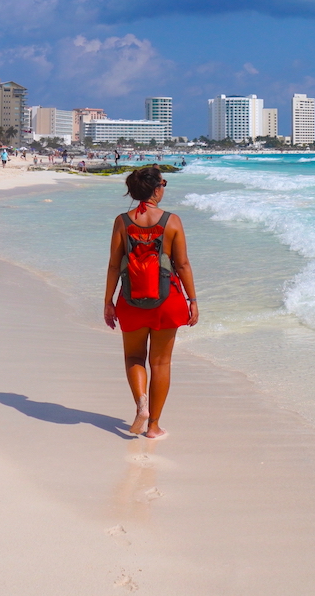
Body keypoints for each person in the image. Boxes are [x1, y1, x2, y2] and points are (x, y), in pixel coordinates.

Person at [104, 166, 198, 440]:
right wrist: (193, 300)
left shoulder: (122, 221)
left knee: (134, 357)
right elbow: (182, 264)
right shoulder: (172, 221)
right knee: (160, 363)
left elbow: (113, 265)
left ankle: (141, 404)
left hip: (130, 300)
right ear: (157, 189)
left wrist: (108, 301)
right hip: (167, 300)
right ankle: (153, 426)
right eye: (163, 184)